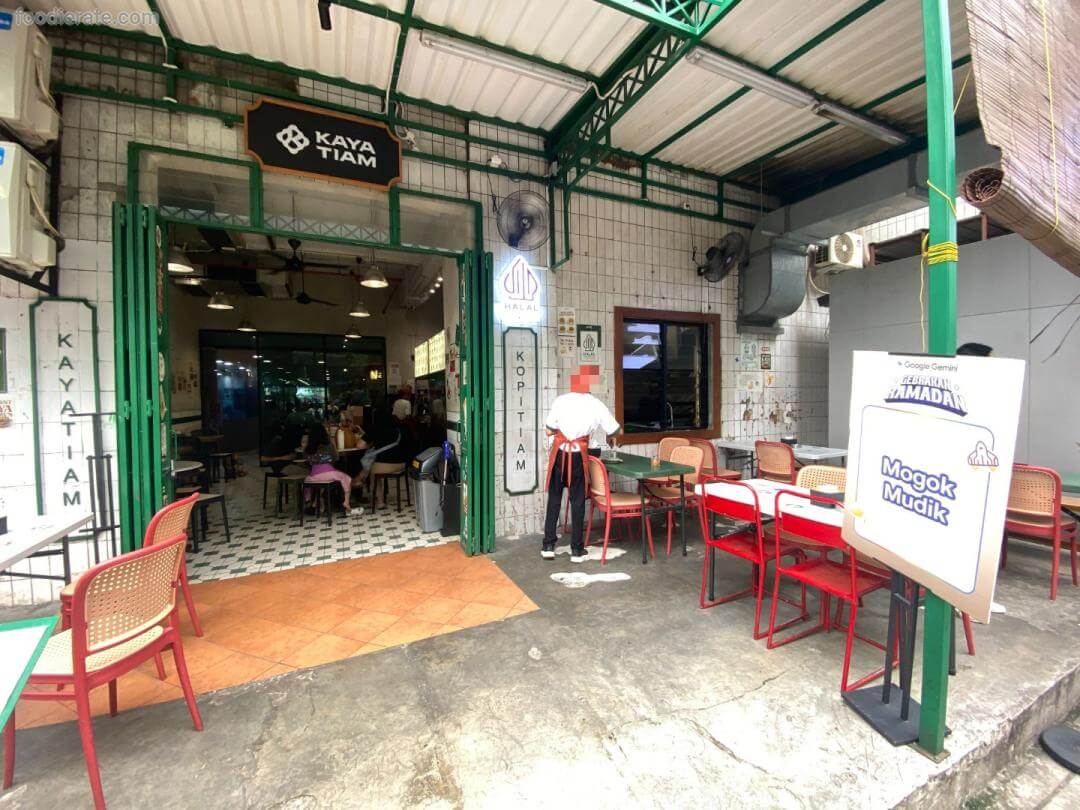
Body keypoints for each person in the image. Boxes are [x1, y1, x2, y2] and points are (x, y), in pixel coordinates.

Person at [542, 365, 620, 563]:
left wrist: (563, 432)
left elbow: (549, 430)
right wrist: (609, 436)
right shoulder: (596, 404)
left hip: (560, 454)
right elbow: (615, 430)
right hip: (579, 456)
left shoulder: (561, 400)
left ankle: (548, 546)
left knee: (554, 498)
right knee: (577, 501)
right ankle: (576, 550)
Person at [356, 408, 414, 509]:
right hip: (402, 464)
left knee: (372, 470)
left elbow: (360, 446)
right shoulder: (398, 428)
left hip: (384, 466)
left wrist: (369, 442)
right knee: (370, 467)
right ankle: (359, 480)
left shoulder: (375, 428)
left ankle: (380, 501)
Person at [304, 424, 359, 516]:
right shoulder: (329, 445)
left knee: (320, 483)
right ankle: (346, 502)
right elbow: (336, 458)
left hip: (313, 475)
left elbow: (307, 461)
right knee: (347, 478)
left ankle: (313, 502)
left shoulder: (307, 449)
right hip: (329, 473)